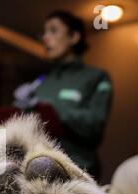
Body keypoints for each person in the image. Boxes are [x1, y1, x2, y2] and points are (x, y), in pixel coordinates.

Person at [14, 10, 113, 180]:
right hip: (35, 169)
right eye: (44, 32)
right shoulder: (42, 82)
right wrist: (14, 108)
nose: (45, 37)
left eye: (53, 30)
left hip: (77, 171)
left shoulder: (96, 77)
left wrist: (48, 106)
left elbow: (94, 126)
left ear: (74, 37)